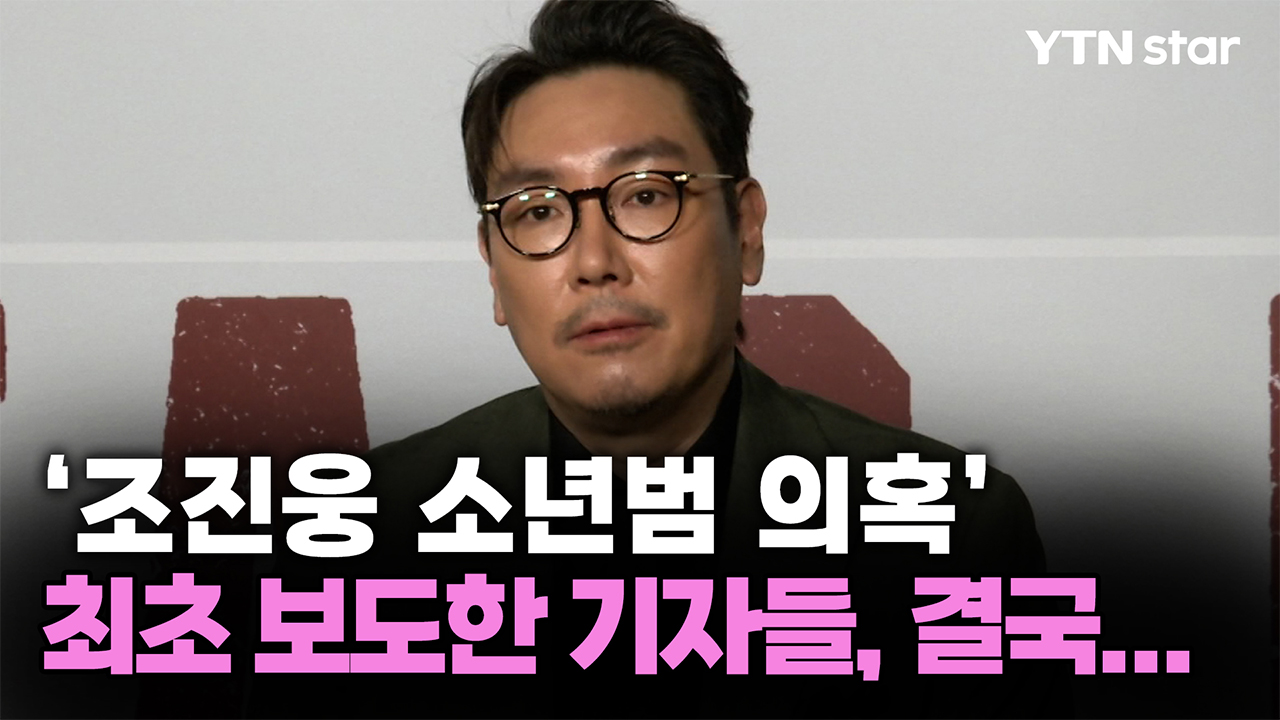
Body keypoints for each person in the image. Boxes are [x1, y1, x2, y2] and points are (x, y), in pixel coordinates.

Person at [251, 1, 1063, 717]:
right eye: (537, 211)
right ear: (494, 269)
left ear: (746, 230)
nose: (594, 262)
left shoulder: (954, 538)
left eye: (645, 194)